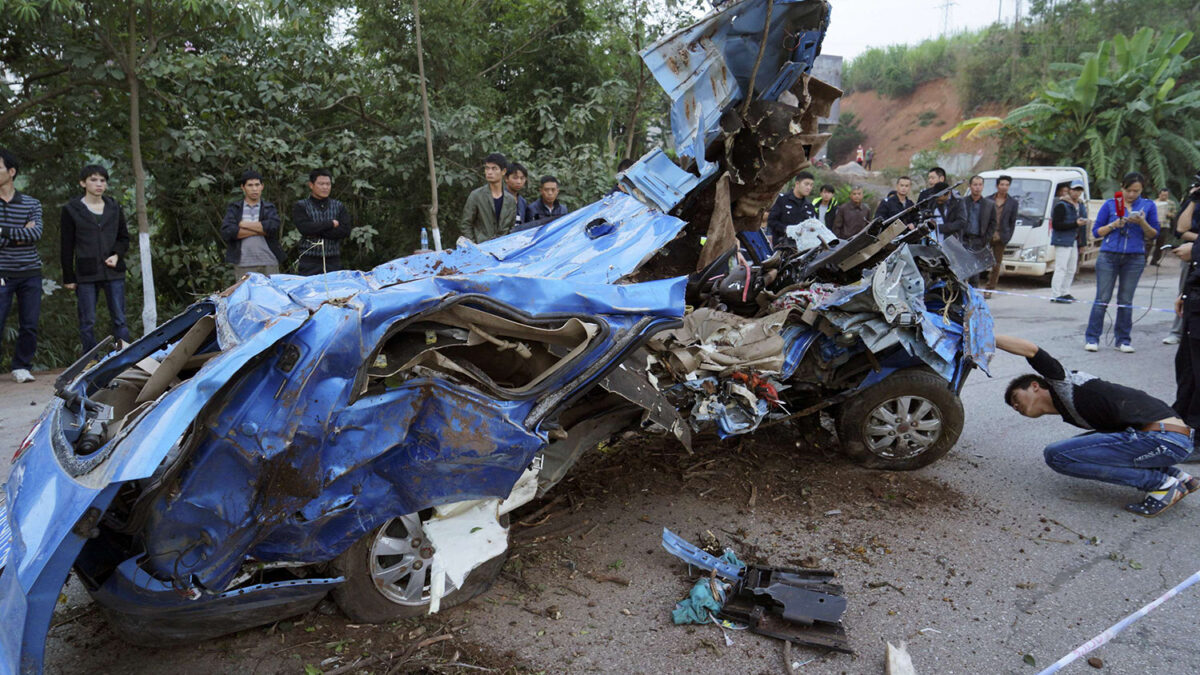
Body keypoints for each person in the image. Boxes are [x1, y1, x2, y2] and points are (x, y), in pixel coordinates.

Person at [996, 333, 1196, 517]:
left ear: (1034, 386)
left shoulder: (1063, 383)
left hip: (1164, 438)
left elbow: (1032, 350)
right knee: (1078, 447)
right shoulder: (1071, 410)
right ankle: (1178, 476)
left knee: (1057, 455)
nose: (1015, 406)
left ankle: (1161, 485)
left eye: (1015, 397)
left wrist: (987, 336)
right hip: (1172, 438)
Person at [1083, 172, 1158, 353]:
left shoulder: (1148, 206)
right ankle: (1092, 338)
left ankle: (1123, 340)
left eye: (1136, 191)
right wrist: (1113, 225)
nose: (1132, 194)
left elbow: (1154, 234)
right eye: (1129, 190)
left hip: (1134, 257)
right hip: (1108, 255)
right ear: (1122, 188)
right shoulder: (1110, 205)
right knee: (1102, 298)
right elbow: (1095, 232)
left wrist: (1141, 222)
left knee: (1126, 299)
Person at [60, 164, 131, 352]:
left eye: (102, 180)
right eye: (93, 180)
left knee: (119, 318)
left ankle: (125, 357)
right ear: (83, 183)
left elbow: (124, 238)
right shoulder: (71, 209)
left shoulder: (114, 207)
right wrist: (68, 276)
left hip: (113, 271)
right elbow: (66, 245)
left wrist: (117, 255)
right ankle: (90, 360)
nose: (99, 184)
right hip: (86, 272)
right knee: (87, 320)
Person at [0, 148, 43, 383]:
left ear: (11, 171)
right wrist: (18, 233)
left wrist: (3, 231)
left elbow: (36, 233)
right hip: (2, 271)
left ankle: (22, 366)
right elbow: (25, 234)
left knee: (29, 323)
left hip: (30, 272)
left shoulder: (31, 203)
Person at [220, 170, 284, 278]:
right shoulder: (235, 208)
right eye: (250, 185)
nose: (254, 189)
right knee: (246, 294)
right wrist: (260, 230)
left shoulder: (269, 207)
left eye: (257, 185)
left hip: (269, 261)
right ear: (243, 187)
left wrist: (243, 224)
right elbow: (228, 231)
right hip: (243, 262)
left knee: (271, 294)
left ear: (262, 186)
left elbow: (273, 227)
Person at [292, 168, 354, 276]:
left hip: (333, 261)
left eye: (328, 184)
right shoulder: (301, 206)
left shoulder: (338, 206)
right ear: (311, 185)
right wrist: (330, 224)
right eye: (321, 184)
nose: (325, 187)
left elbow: (345, 231)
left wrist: (316, 230)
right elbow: (305, 229)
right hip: (309, 261)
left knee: (334, 291)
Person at [1165, 187, 1200, 345]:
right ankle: (1178, 331)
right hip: (1192, 257)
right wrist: (1193, 199)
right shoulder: (1194, 202)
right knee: (1185, 293)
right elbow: (1181, 230)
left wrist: (1197, 245)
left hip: (1194, 250)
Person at [461, 152, 516, 243]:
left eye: (494, 169)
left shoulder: (510, 200)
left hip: (503, 249)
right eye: (487, 168)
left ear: (503, 171)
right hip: (481, 247)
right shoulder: (476, 195)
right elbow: (466, 224)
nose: (489, 172)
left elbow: (511, 227)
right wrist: (474, 246)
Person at [1048, 180, 1086, 303]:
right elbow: (1057, 224)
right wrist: (1075, 224)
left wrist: (1082, 243)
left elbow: (1083, 227)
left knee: (1071, 268)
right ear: (1069, 190)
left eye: (1079, 190)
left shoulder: (1080, 205)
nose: (1077, 193)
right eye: (1075, 190)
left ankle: (1065, 291)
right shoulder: (1061, 204)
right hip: (1062, 239)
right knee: (1061, 267)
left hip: (1074, 240)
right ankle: (1056, 293)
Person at [766, 172, 818, 250]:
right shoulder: (782, 200)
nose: (809, 188)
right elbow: (771, 221)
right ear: (797, 183)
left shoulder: (810, 206)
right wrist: (787, 229)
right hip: (782, 248)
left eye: (811, 185)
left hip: (802, 249)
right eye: (806, 184)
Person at [986, 174, 1019, 293]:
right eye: (1002, 184)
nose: (1004, 187)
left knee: (996, 264)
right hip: (987, 235)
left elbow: (1012, 222)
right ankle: (974, 286)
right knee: (980, 260)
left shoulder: (1013, 203)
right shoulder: (988, 199)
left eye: (1007, 185)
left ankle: (990, 288)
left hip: (1001, 237)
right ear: (997, 185)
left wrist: (1007, 236)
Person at [959, 175, 997, 253]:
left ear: (983, 186)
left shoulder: (989, 204)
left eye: (980, 185)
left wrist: (985, 240)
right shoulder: (962, 202)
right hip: (963, 240)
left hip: (980, 241)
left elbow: (993, 224)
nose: (978, 187)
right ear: (970, 186)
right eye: (975, 185)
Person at [1149, 188, 1177, 265]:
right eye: (1163, 195)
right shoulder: (1153, 202)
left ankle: (1155, 260)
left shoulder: (1171, 203)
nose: (1164, 197)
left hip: (1165, 225)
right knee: (1149, 243)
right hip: (1153, 225)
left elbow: (1174, 214)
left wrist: (1169, 214)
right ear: (1159, 194)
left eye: (1166, 195)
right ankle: (1144, 259)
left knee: (1160, 244)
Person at [505, 162, 529, 232]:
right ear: (506, 178)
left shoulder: (522, 202)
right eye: (515, 178)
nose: (519, 182)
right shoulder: (499, 198)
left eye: (522, 178)